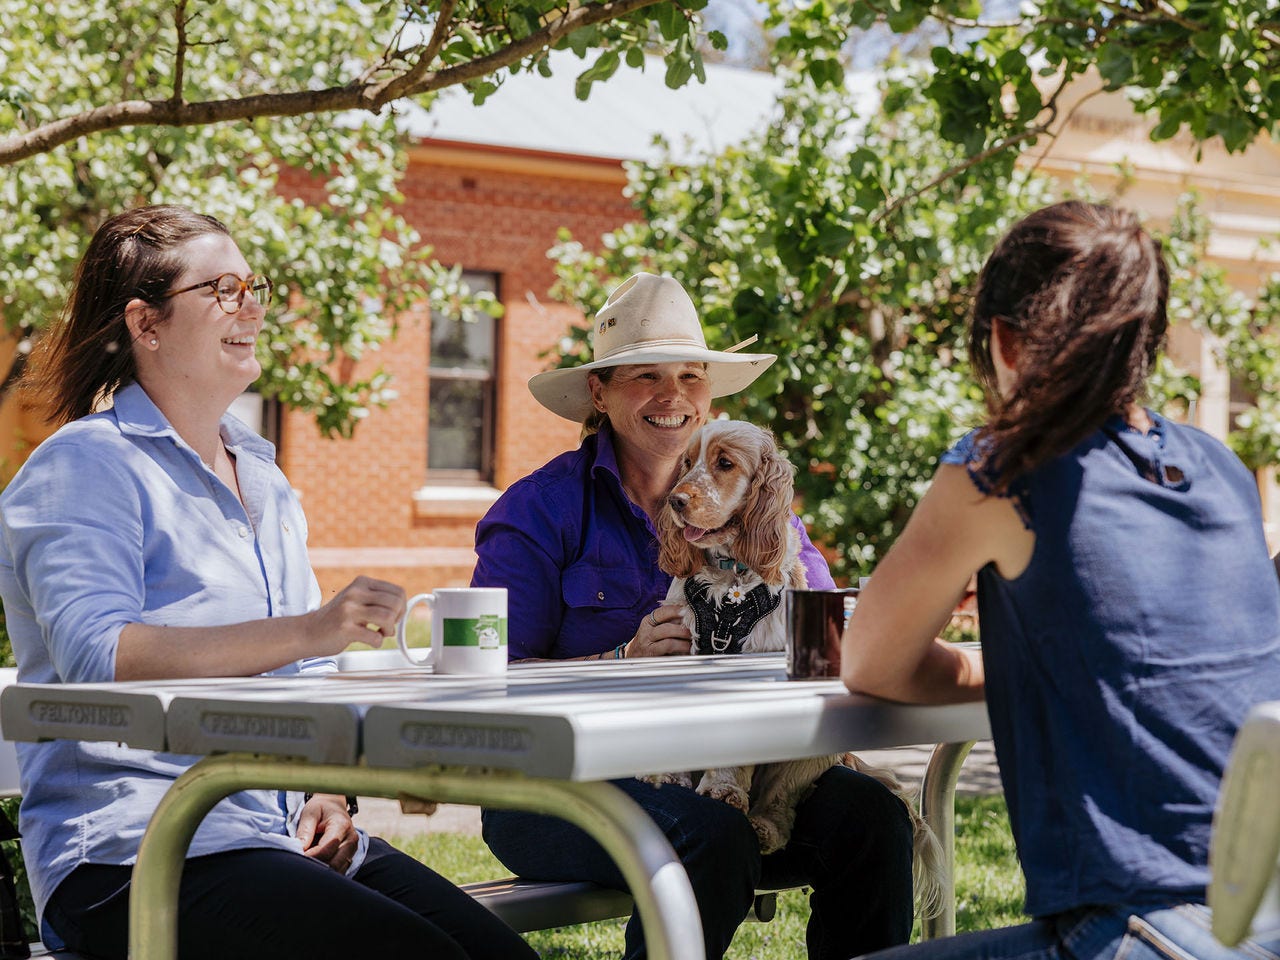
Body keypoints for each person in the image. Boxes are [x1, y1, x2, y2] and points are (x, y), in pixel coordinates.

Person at [0, 205, 538, 960]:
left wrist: (323, 793)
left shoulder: (261, 474)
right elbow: (100, 654)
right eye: (222, 288)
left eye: (253, 284)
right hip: (134, 853)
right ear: (146, 325)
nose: (252, 305)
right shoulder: (84, 466)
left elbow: (304, 673)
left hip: (272, 833)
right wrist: (316, 625)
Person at [841, 201, 1280, 960]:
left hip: (1145, 930)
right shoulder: (1224, 470)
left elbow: (871, 663)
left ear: (1005, 341)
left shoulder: (1000, 467)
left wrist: (988, 662)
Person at [471, 272, 916, 960]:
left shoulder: (752, 497)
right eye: (644, 375)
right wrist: (619, 661)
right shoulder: (537, 512)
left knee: (874, 819)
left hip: (733, 774)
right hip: (556, 792)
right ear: (600, 392)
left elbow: (824, 629)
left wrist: (841, 648)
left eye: (689, 375)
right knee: (712, 832)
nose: (672, 396)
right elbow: (484, 686)